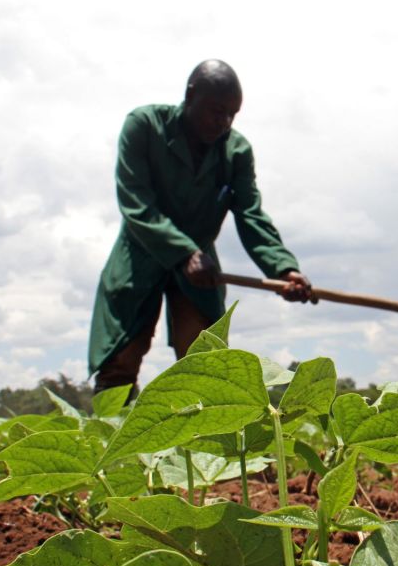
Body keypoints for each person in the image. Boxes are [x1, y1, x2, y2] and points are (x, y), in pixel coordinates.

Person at [88, 60, 314, 397]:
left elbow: (251, 215)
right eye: (215, 110)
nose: (223, 122)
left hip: (201, 270)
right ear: (190, 95)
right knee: (118, 366)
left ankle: (203, 448)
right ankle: (114, 444)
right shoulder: (145, 126)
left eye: (232, 114)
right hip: (139, 255)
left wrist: (285, 268)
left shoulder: (235, 150)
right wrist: (184, 253)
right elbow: (136, 203)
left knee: (205, 369)